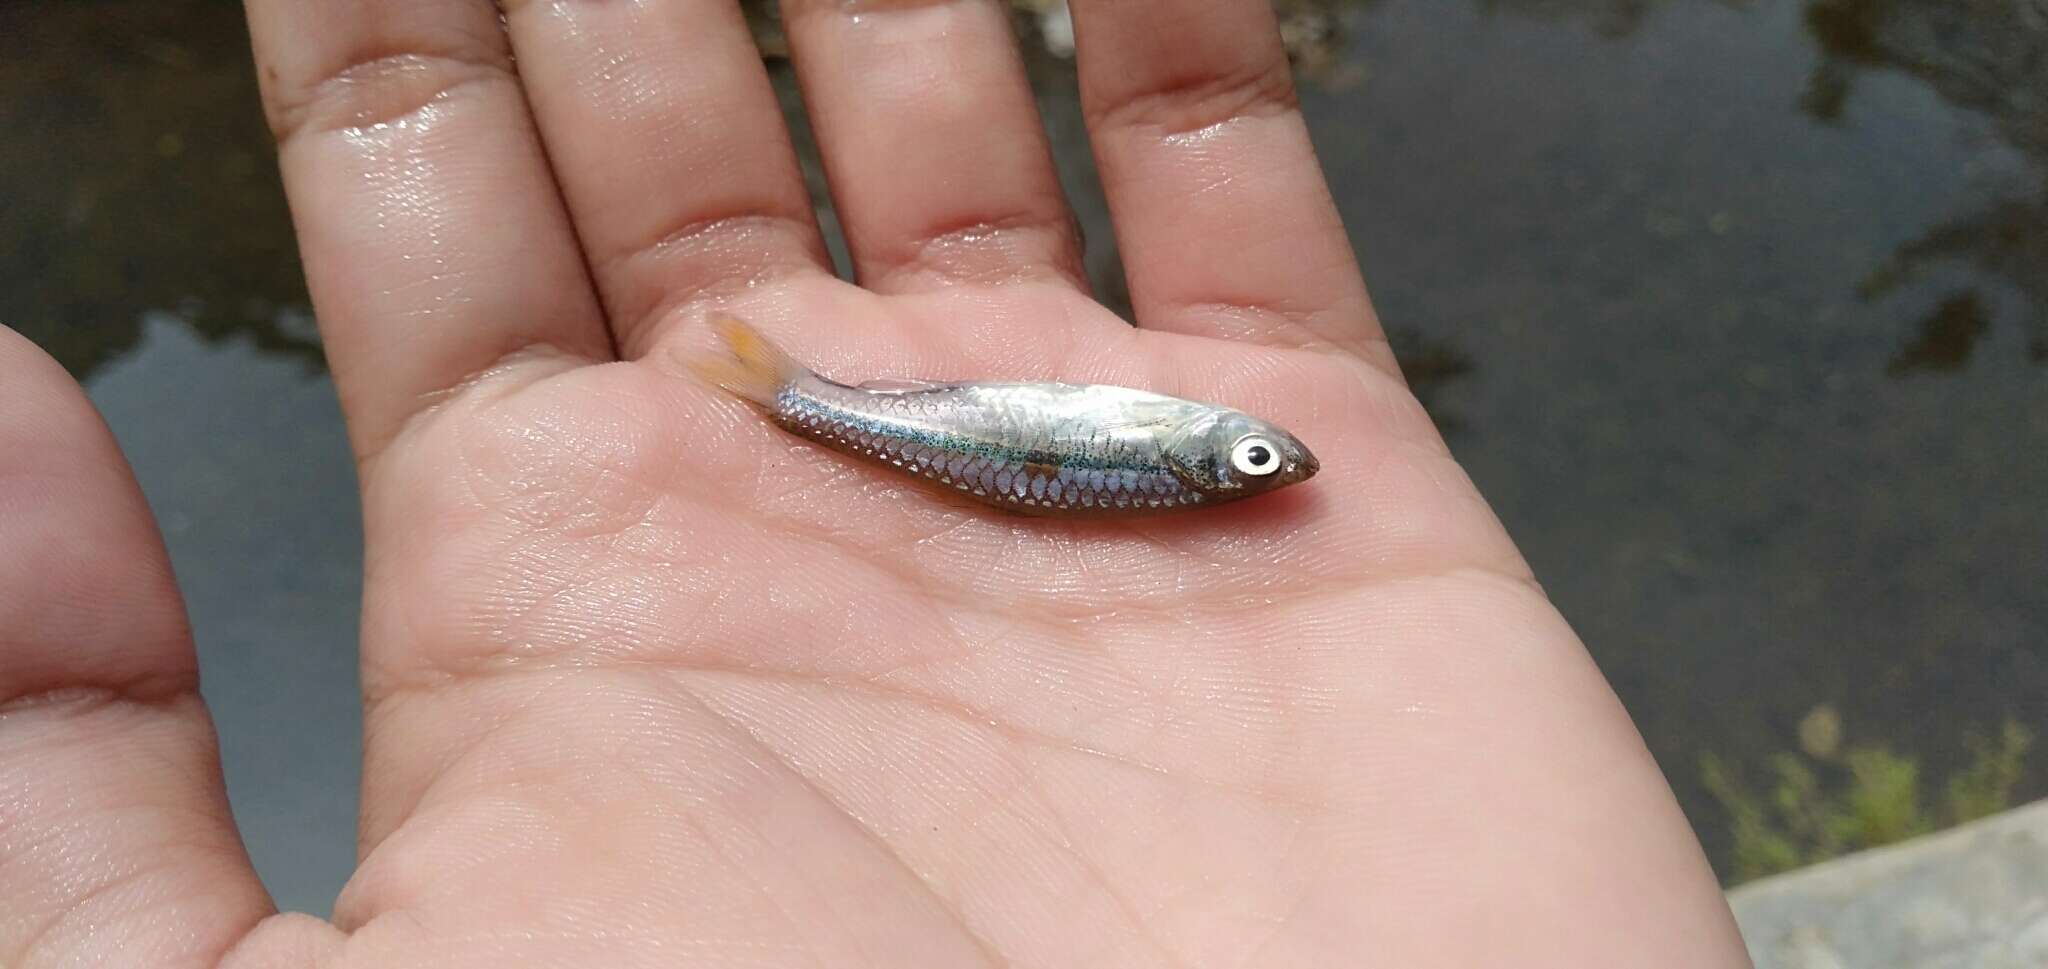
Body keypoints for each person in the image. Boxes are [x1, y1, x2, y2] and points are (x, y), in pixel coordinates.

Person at [0, 1, 1752, 965]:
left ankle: (794, 401)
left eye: (1256, 461)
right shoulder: (1171, 466)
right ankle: (796, 400)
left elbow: (1068, 440)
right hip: (885, 407)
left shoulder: (1160, 468)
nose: (1260, 462)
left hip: (884, 407)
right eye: (1254, 454)